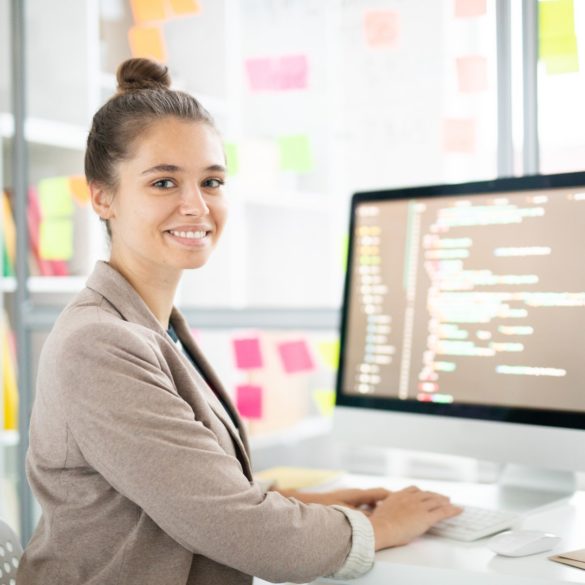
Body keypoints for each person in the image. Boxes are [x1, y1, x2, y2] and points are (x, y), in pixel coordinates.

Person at [17, 58, 461, 585]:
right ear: (102, 196)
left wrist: (308, 503)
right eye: (163, 182)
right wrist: (379, 527)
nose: (196, 205)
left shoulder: (150, 327)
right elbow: (241, 530)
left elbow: (186, 491)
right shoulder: (99, 344)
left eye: (212, 181)